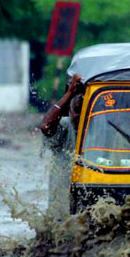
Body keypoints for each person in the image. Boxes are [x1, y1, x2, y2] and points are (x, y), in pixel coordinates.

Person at [40, 74, 84, 220]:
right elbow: (46, 126)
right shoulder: (64, 127)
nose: (80, 116)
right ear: (69, 111)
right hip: (61, 212)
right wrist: (69, 94)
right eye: (77, 110)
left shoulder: (101, 130)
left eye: (84, 111)